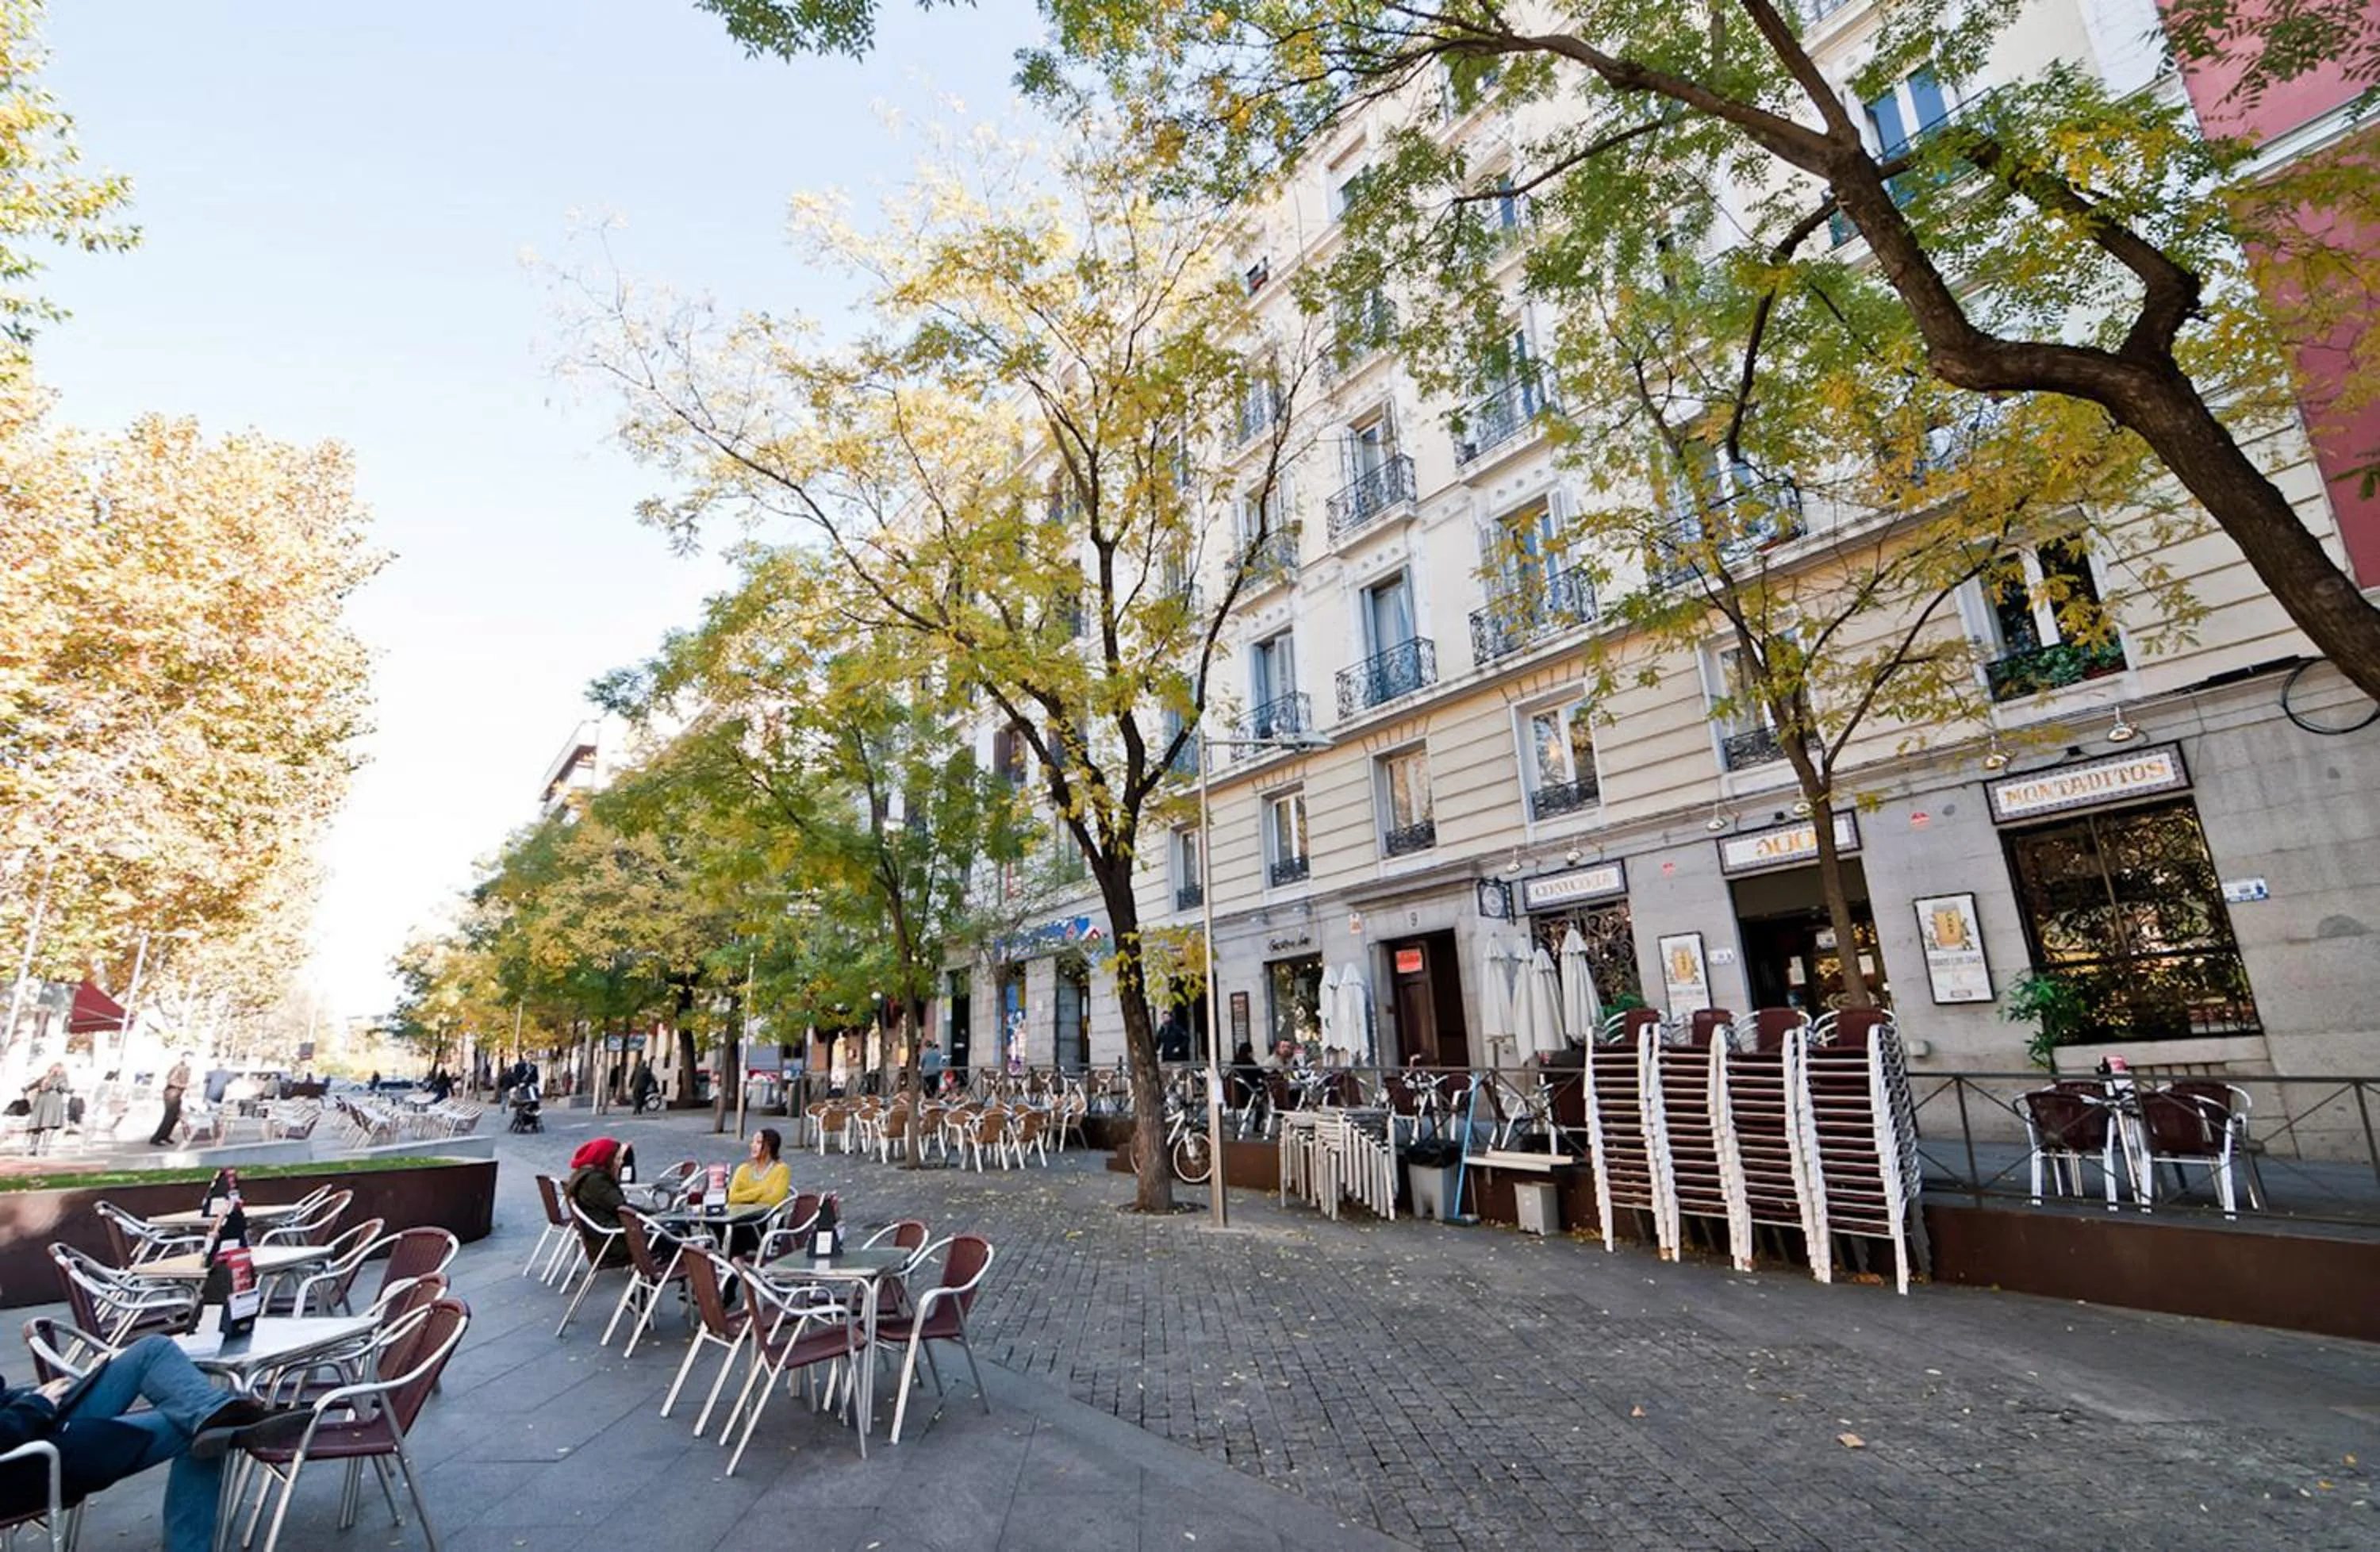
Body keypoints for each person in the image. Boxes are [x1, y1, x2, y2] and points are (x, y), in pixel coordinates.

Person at [0, 1334, 309, 1552]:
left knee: (152, 1350)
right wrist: (35, 1406)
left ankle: (220, 1413)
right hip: (27, 1462)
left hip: (35, 1428)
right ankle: (232, 1418)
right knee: (199, 1433)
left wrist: (30, 1397)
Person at [562, 1136, 631, 1266]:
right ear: (607, 1159)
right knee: (673, 1235)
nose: (620, 1163)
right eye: (617, 1159)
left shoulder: (584, 1176)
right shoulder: (597, 1182)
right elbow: (621, 1207)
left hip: (601, 1237)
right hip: (614, 1243)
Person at [147, 1054, 192, 1148]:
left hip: (177, 1094)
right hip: (172, 1094)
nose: (189, 1060)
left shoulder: (187, 1069)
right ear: (183, 1058)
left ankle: (165, 1135)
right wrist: (184, 1086)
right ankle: (156, 1138)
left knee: (176, 1116)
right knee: (169, 1117)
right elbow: (171, 1081)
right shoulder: (178, 1068)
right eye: (187, 1058)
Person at [22, 1064, 68, 1154]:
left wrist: (55, 1086)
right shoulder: (45, 1077)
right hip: (43, 1102)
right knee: (37, 1126)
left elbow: (64, 1088)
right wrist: (26, 1088)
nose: (54, 1071)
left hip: (52, 1103)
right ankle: (34, 1147)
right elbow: (33, 1085)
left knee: (48, 1126)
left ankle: (44, 1147)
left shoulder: (62, 1078)